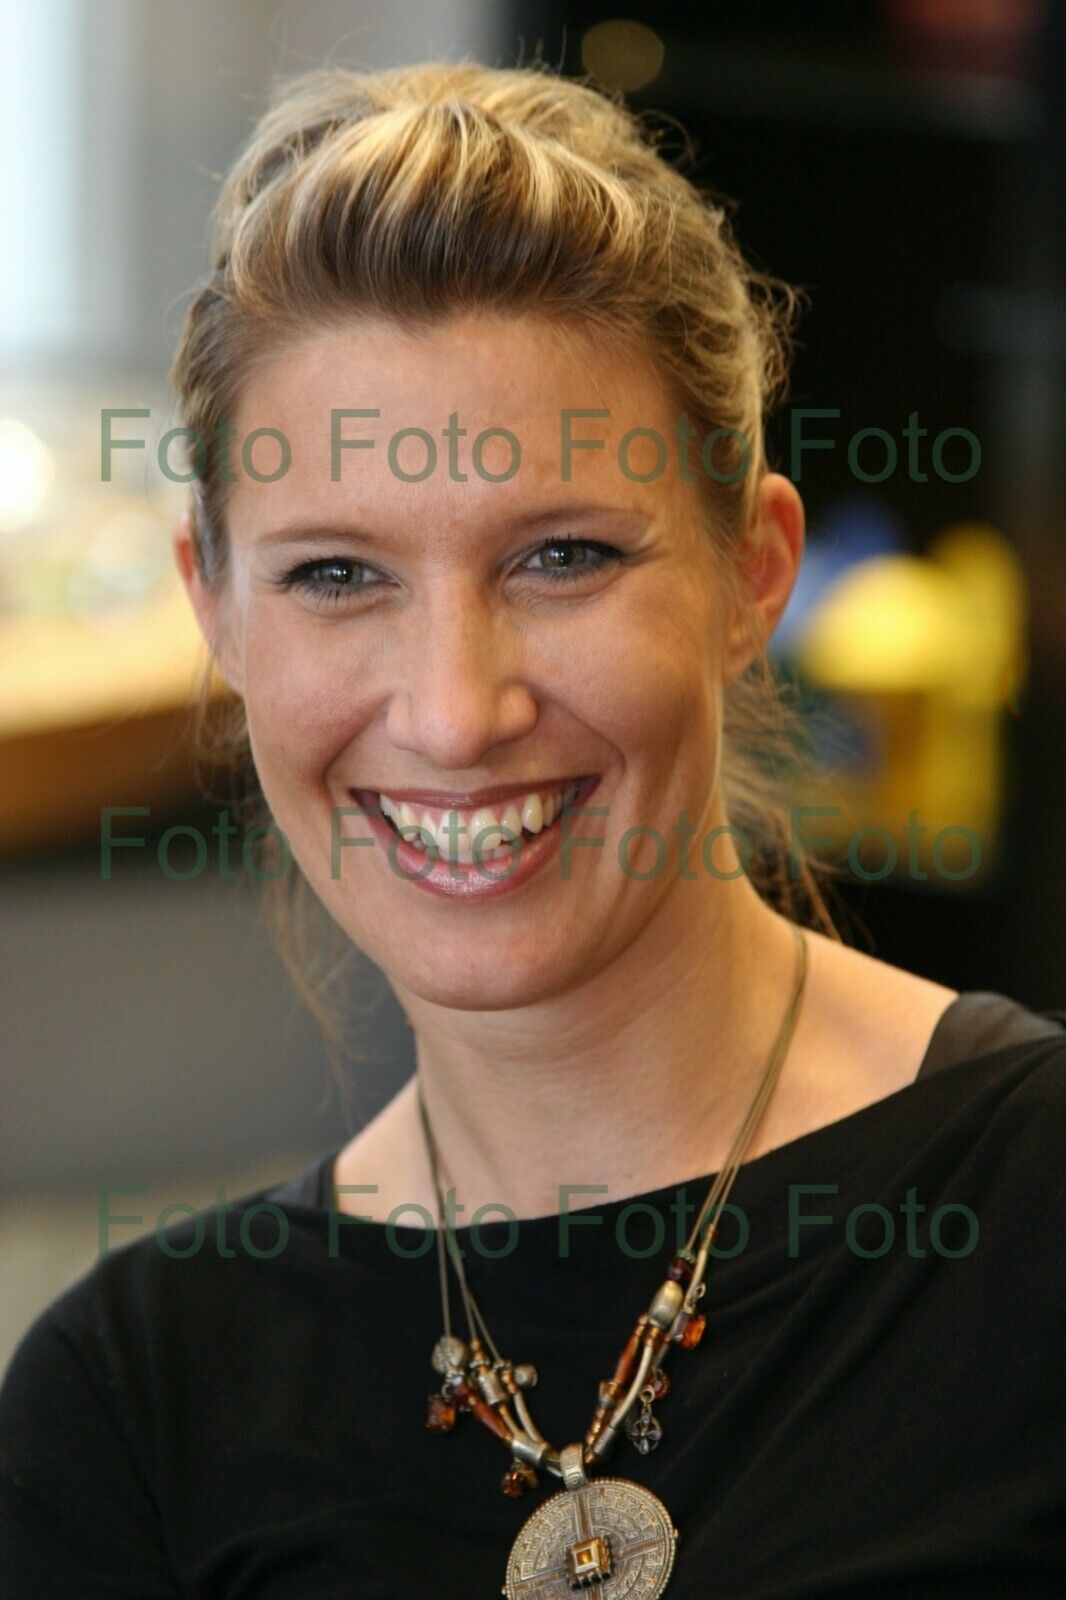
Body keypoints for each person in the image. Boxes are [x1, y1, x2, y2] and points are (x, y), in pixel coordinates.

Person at [2, 60, 1064, 1600]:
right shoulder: (137, 1404)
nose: (451, 711)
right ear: (212, 611)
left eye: (561, 556)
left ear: (750, 575)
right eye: (336, 576)